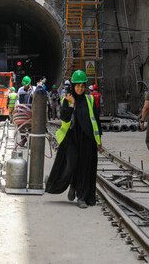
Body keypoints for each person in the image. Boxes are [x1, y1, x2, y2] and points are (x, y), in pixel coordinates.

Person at [45, 70, 102, 209]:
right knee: (71, 165)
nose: (80, 89)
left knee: (85, 168)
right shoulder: (66, 100)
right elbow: (64, 118)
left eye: (82, 86)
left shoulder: (89, 100)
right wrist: (71, 104)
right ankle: (72, 185)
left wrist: (98, 139)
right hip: (71, 139)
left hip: (87, 139)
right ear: (73, 86)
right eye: (77, 86)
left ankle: (82, 197)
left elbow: (96, 120)